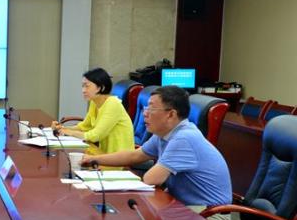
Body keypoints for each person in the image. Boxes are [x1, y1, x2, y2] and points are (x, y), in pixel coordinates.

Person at [82, 85, 232, 207]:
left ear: (171, 114)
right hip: (184, 205)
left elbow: (151, 179)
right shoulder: (165, 133)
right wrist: (93, 159)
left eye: (151, 108)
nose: (145, 113)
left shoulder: (184, 138)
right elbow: (134, 155)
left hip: (209, 215)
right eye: (145, 108)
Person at [52, 67, 134, 155]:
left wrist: (68, 132)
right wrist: (62, 128)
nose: (83, 90)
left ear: (100, 88)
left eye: (87, 86)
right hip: (103, 154)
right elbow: (84, 126)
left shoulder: (113, 104)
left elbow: (96, 135)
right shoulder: (94, 102)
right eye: (83, 86)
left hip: (120, 157)